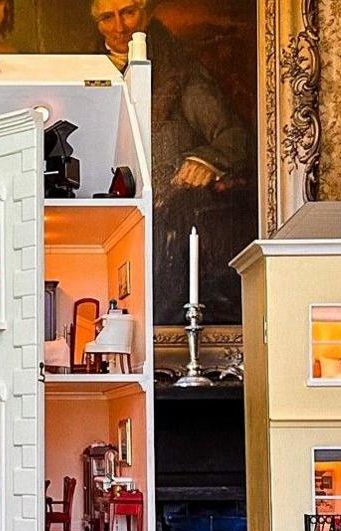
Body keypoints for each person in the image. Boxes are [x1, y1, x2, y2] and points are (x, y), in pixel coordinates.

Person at [90, 0, 253, 324]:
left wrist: (205, 160)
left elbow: (234, 136)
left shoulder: (181, 76)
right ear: (97, 23)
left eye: (129, 12)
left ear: (146, 13)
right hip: (103, 216)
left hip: (168, 213)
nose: (120, 26)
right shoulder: (81, 75)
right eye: (108, 17)